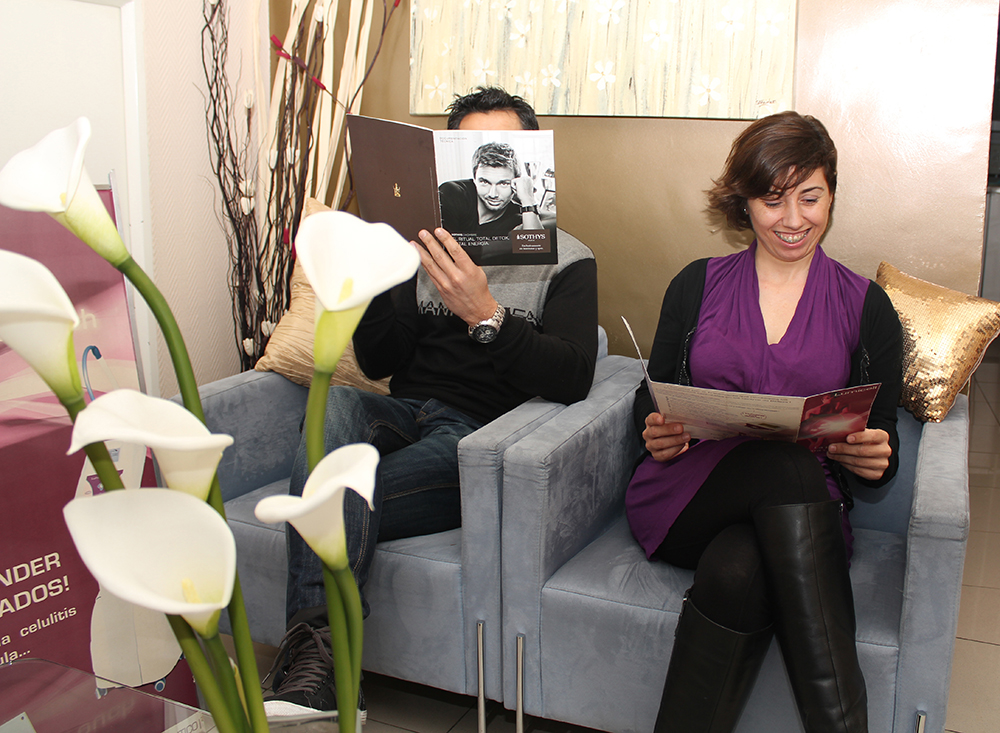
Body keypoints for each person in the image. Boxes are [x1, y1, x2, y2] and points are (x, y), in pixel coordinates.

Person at [262, 86, 599, 718]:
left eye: (505, 161)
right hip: (403, 412)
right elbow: (379, 362)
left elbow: (574, 376)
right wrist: (375, 276)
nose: (491, 185)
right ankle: (325, 660)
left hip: (475, 438)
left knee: (327, 495)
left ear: (528, 168)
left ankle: (318, 670)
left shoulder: (569, 261)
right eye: (474, 163)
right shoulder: (422, 249)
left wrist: (485, 312)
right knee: (333, 407)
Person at [628, 111, 902, 733]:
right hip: (688, 496)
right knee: (783, 465)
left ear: (832, 196)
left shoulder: (868, 306)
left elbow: (879, 439)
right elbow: (650, 397)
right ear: (744, 201)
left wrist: (876, 457)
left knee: (738, 571)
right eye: (773, 200)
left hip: (803, 518)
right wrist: (655, 427)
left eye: (810, 197)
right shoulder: (695, 285)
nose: (793, 219)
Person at [438, 140, 546, 235]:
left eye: (503, 183)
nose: (493, 194)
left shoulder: (520, 216)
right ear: (474, 179)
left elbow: (536, 247)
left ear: (515, 183)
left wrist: (527, 199)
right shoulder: (452, 193)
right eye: (485, 182)